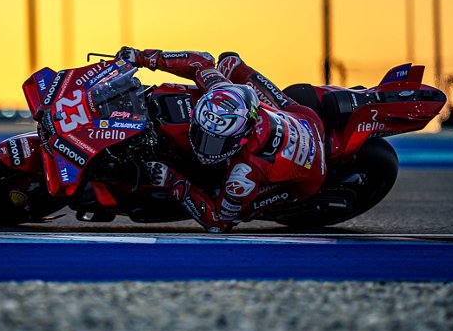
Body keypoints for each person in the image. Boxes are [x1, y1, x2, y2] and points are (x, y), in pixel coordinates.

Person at [116, 47, 328, 233]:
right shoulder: (220, 90)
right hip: (300, 116)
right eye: (201, 132)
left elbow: (217, 224)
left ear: (239, 140)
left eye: (214, 142)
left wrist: (173, 180)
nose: (202, 146)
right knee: (229, 62)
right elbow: (200, 61)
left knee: (236, 211)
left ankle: (267, 201)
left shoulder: (244, 173)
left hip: (310, 175)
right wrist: (143, 57)